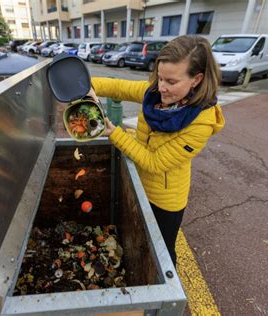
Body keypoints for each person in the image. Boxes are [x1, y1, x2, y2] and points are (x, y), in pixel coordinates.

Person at [88, 35, 225, 266]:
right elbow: (118, 86)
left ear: (196, 79)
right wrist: (89, 87)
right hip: (139, 183)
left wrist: (113, 132)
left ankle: (163, 298)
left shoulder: (201, 122)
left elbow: (154, 162)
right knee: (138, 239)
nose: (162, 87)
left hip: (165, 200)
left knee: (162, 252)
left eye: (171, 82)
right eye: (160, 77)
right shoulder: (154, 95)